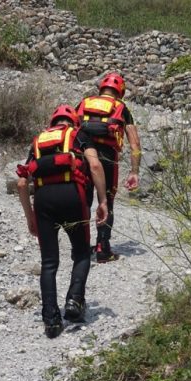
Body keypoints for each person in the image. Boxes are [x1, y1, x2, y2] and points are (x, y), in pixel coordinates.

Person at [16, 105, 109, 338]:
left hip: (44, 202)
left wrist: (30, 217)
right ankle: (74, 302)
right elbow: (95, 165)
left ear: (52, 121)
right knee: (80, 253)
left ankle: (51, 320)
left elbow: (20, 183)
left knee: (49, 263)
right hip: (72, 197)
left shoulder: (37, 141)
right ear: (73, 121)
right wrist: (103, 201)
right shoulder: (78, 135)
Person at [75, 73, 142, 263]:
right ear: (120, 92)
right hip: (107, 159)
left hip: (82, 157)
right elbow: (135, 144)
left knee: (84, 201)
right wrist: (134, 172)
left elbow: (68, 130)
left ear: (101, 89)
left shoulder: (84, 102)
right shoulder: (121, 108)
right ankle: (103, 248)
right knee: (107, 203)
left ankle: (81, 248)